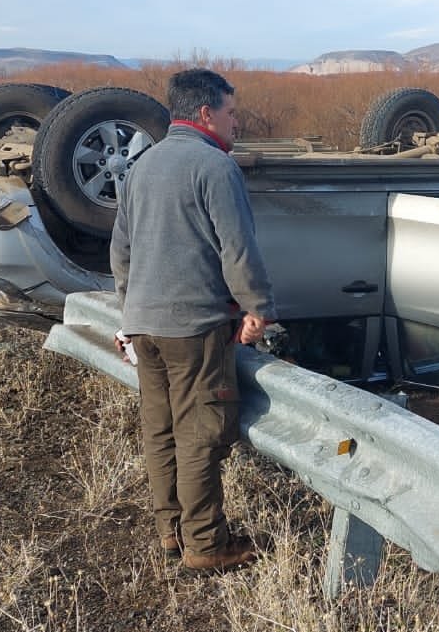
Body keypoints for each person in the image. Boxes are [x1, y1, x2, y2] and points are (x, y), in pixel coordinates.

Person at [110, 68, 275, 572]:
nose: (235, 120)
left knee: (159, 432)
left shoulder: (141, 166)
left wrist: (131, 310)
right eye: (230, 111)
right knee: (200, 433)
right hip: (194, 329)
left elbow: (121, 250)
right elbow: (237, 249)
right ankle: (206, 545)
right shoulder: (215, 167)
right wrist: (258, 309)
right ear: (206, 113)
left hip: (145, 326)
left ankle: (171, 535)